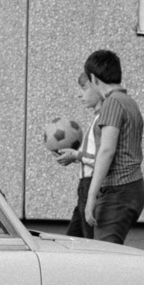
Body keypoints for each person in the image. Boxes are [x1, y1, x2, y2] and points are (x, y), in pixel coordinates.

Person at [81, 50, 144, 245]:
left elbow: (107, 150)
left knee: (104, 256)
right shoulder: (129, 102)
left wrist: (91, 196)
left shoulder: (112, 103)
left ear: (93, 78)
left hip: (118, 190)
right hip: (133, 188)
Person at [54, 70, 103, 238]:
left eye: (84, 88)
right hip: (84, 187)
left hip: (91, 186)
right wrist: (74, 156)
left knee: (90, 244)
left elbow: (101, 160)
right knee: (72, 241)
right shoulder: (97, 118)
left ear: (98, 87)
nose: (79, 95)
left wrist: (76, 155)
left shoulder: (103, 120)